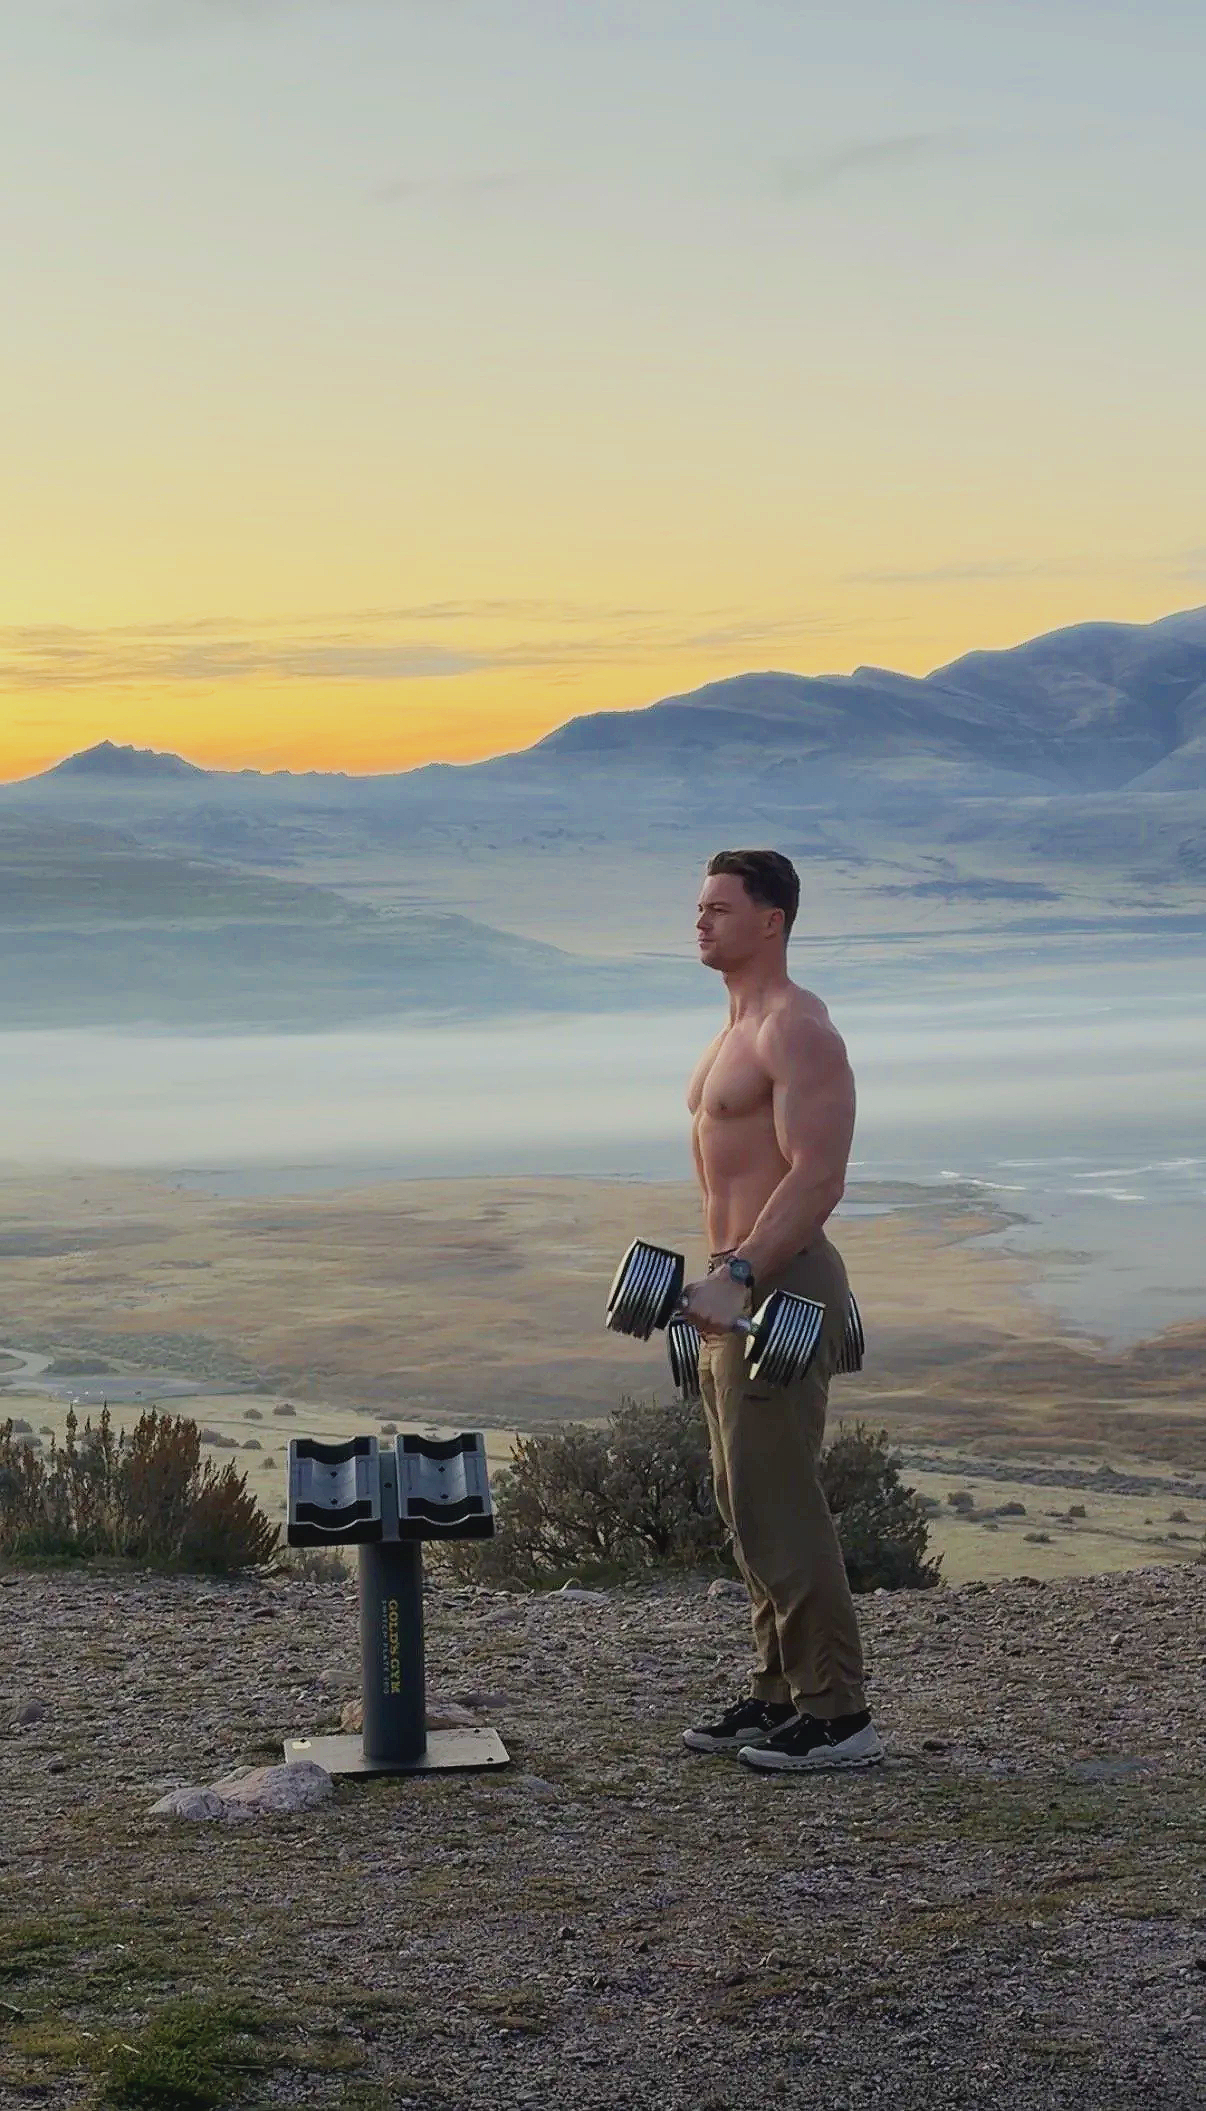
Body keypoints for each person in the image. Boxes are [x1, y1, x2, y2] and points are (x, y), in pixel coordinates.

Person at [679, 849, 883, 1773]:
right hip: (738, 1283)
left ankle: (838, 1715)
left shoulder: (796, 1029)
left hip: (783, 1284)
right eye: (700, 906)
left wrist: (745, 1272)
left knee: (781, 1498)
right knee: (743, 1496)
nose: (702, 921)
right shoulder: (734, 1028)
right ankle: (777, 1694)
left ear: (773, 921)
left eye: (721, 907)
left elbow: (820, 1174)